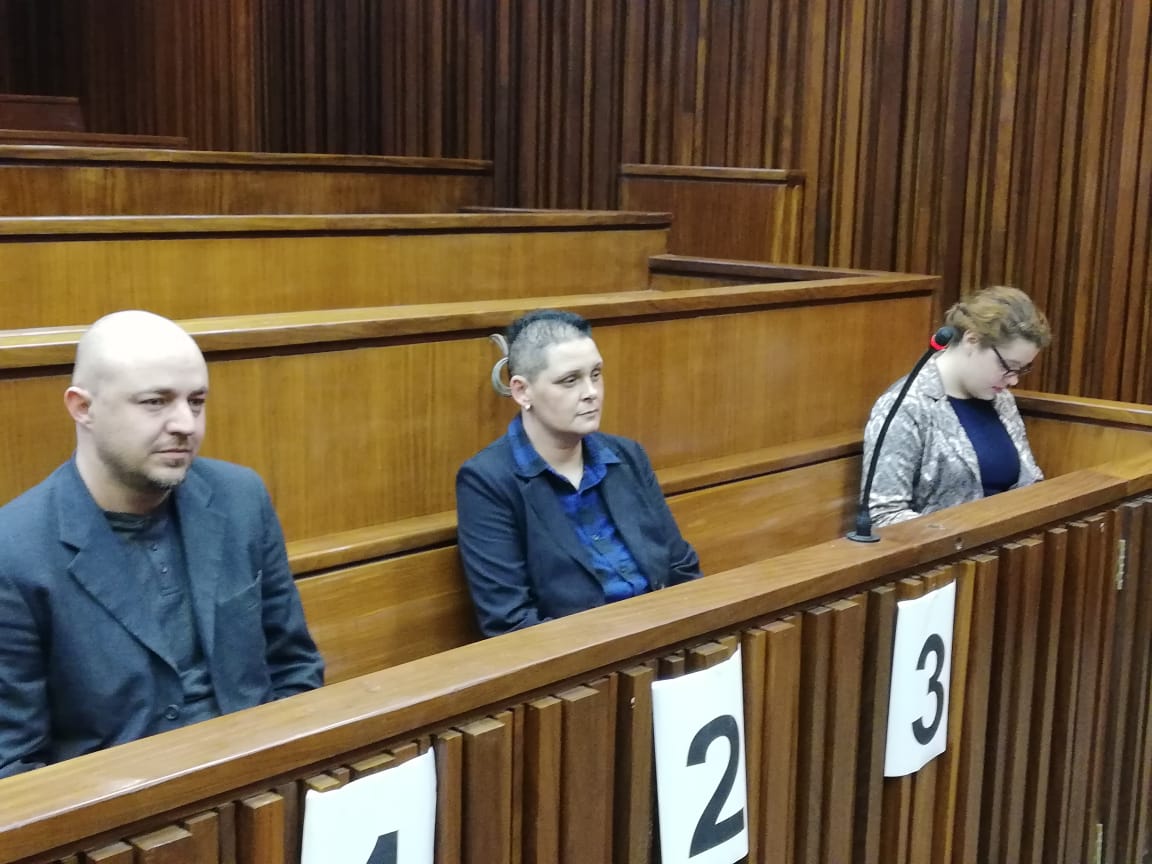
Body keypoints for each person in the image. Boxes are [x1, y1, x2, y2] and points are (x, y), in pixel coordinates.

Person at [0, 311, 323, 778]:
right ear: (82, 408)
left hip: (262, 783)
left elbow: (294, 667)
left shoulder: (240, 498)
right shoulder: (15, 550)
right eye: (155, 402)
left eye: (197, 401)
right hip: (117, 810)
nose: (185, 424)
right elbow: (13, 764)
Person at [456, 309, 701, 637]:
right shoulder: (487, 481)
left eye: (595, 374)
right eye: (570, 380)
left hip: (664, 640)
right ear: (522, 391)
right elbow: (510, 623)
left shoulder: (627, 455)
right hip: (580, 657)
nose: (591, 392)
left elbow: (681, 567)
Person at [863, 286, 1051, 528]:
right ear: (972, 340)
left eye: (1021, 369)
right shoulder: (906, 406)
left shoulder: (1000, 397)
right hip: (944, 547)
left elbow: (1030, 482)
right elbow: (884, 515)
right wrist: (962, 533)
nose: (1013, 380)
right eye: (1008, 365)